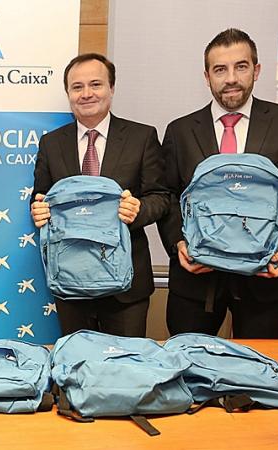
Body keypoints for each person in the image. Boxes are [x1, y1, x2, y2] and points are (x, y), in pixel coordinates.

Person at [158, 28, 278, 338]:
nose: (231, 78)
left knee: (259, 365)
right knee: (189, 365)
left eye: (241, 66)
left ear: (256, 70)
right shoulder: (180, 131)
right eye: (220, 69)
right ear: (207, 77)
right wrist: (178, 243)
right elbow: (167, 195)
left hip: (266, 277)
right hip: (196, 279)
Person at [31, 53, 169, 337]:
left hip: (126, 289)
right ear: (68, 93)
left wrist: (137, 209)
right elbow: (40, 196)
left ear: (111, 88)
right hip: (70, 281)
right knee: (76, 362)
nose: (86, 94)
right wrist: (37, 209)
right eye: (77, 87)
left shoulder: (142, 137)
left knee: (126, 363)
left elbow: (161, 197)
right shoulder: (51, 143)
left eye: (95, 84)